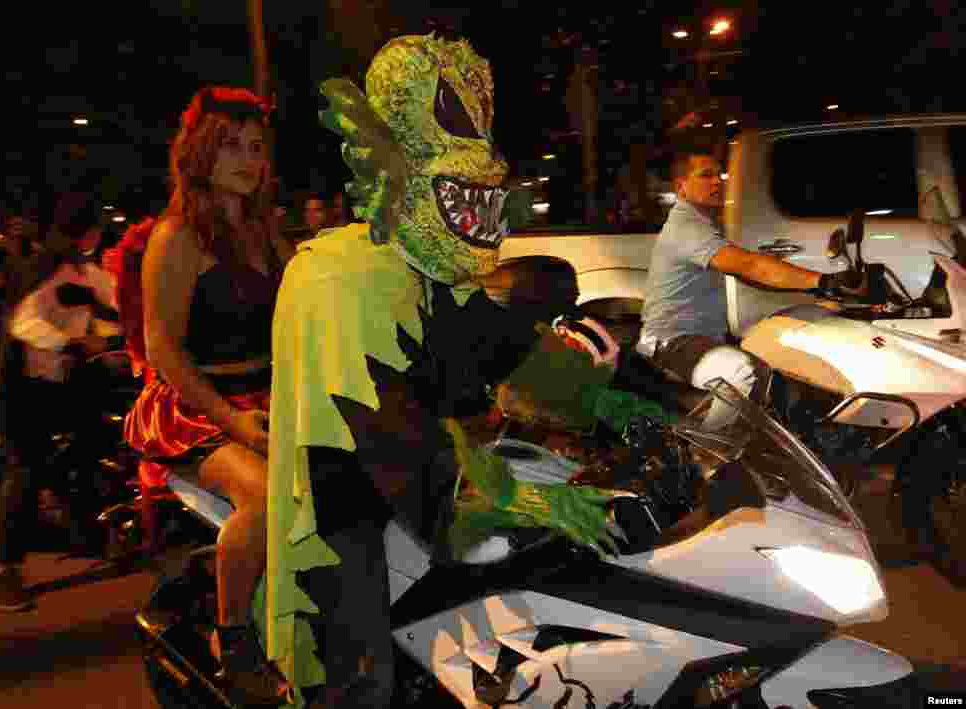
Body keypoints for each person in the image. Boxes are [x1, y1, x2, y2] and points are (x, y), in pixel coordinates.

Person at [259, 35, 665, 709]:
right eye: (463, 195)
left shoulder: (436, 271)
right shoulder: (340, 278)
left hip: (425, 480)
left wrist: (627, 401)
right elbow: (396, 444)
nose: (484, 218)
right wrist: (533, 501)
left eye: (488, 196)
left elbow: (515, 350)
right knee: (362, 681)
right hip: (344, 503)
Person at [111, 86, 291, 705]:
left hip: (268, 397)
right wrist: (232, 421)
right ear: (200, 154)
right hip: (196, 407)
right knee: (266, 499)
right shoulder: (178, 237)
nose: (247, 160)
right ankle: (234, 642)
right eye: (231, 146)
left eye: (256, 147)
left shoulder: (269, 231)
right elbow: (162, 348)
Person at [638, 148, 865, 427]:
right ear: (680, 186)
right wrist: (824, 281)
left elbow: (748, 275)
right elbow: (750, 266)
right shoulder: (686, 227)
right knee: (740, 373)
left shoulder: (706, 224)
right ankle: (712, 447)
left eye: (720, 175)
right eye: (706, 175)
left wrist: (817, 294)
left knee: (786, 373)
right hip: (671, 341)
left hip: (703, 337)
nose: (717, 182)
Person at [0, 192, 119, 612]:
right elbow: (24, 324)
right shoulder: (47, 269)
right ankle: (4, 570)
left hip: (55, 384)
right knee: (25, 471)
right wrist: (77, 342)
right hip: (18, 391)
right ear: (89, 232)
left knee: (100, 435)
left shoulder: (85, 271)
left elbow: (117, 301)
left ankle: (85, 526)